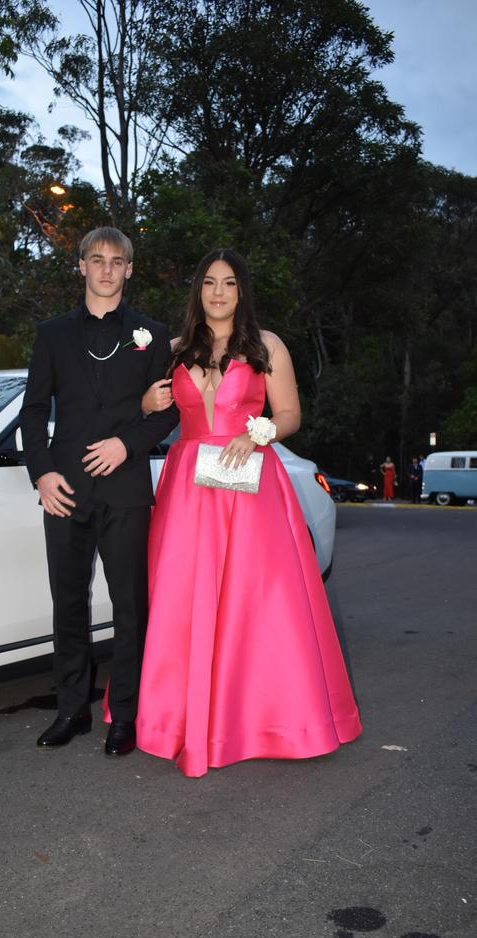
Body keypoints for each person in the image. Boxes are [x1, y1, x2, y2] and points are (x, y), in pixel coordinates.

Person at [135, 249, 362, 778]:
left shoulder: (267, 346)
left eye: (230, 284)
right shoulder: (171, 350)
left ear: (242, 292)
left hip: (249, 482)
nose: (218, 293)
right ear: (198, 290)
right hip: (187, 486)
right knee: (183, 597)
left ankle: (267, 719)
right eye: (210, 283)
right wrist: (146, 405)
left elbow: (289, 414)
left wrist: (255, 432)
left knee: (257, 601)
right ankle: (177, 721)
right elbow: (145, 410)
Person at [20, 227, 178, 756]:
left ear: (130, 270)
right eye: (97, 259)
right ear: (81, 266)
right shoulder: (52, 334)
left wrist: (125, 445)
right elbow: (34, 411)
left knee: (131, 607)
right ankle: (71, 710)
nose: (107, 269)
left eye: (117, 261)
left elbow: (167, 410)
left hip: (127, 491)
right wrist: (41, 473)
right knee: (68, 603)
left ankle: (126, 716)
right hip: (64, 490)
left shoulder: (151, 335)